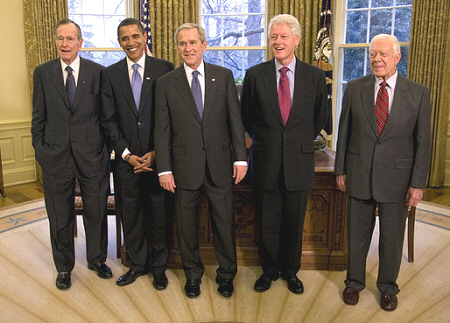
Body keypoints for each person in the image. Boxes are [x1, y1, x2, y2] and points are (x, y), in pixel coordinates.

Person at [335, 34, 431, 311]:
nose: (377, 59)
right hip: (359, 173)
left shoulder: (418, 93)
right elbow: (345, 132)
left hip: (397, 179)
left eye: (383, 54)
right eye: (373, 54)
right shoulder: (355, 88)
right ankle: (353, 282)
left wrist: (417, 183)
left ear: (397, 57)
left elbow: (423, 142)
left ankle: (388, 287)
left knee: (391, 237)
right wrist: (340, 168)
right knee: (357, 234)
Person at [154, 23, 247, 298]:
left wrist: (240, 159)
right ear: (178, 47)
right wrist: (164, 169)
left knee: (224, 224)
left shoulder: (224, 76)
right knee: (186, 227)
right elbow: (162, 129)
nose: (188, 48)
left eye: (193, 42)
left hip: (220, 165)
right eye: (183, 44)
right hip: (183, 168)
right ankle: (192, 275)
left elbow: (235, 121)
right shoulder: (166, 83)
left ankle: (227, 275)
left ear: (204, 45)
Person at [240, 14, 328, 294]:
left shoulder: (315, 76)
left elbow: (319, 118)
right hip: (265, 162)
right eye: (273, 37)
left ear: (297, 40)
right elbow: (247, 117)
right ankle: (268, 271)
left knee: (293, 223)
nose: (278, 42)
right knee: (266, 223)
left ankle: (291, 272)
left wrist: (295, 140)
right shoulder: (255, 75)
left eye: (283, 36)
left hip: (298, 163)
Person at [31, 19, 112, 290]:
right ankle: (63, 267)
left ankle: (97, 259)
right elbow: (38, 117)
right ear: (55, 42)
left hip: (93, 156)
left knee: (96, 210)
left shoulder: (98, 72)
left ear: (80, 42)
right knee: (59, 215)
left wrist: (104, 151)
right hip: (55, 158)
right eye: (60, 38)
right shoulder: (43, 73)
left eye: (70, 39)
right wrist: (41, 151)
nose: (64, 44)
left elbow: (106, 117)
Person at [100, 18, 174, 288]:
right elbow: (107, 120)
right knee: (131, 214)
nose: (130, 42)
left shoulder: (164, 69)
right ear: (119, 42)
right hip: (126, 161)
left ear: (144, 36)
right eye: (124, 38)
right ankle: (137, 264)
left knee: (159, 214)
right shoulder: (110, 75)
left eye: (134, 36)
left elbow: (169, 116)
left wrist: (156, 152)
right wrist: (126, 153)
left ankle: (159, 267)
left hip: (157, 159)